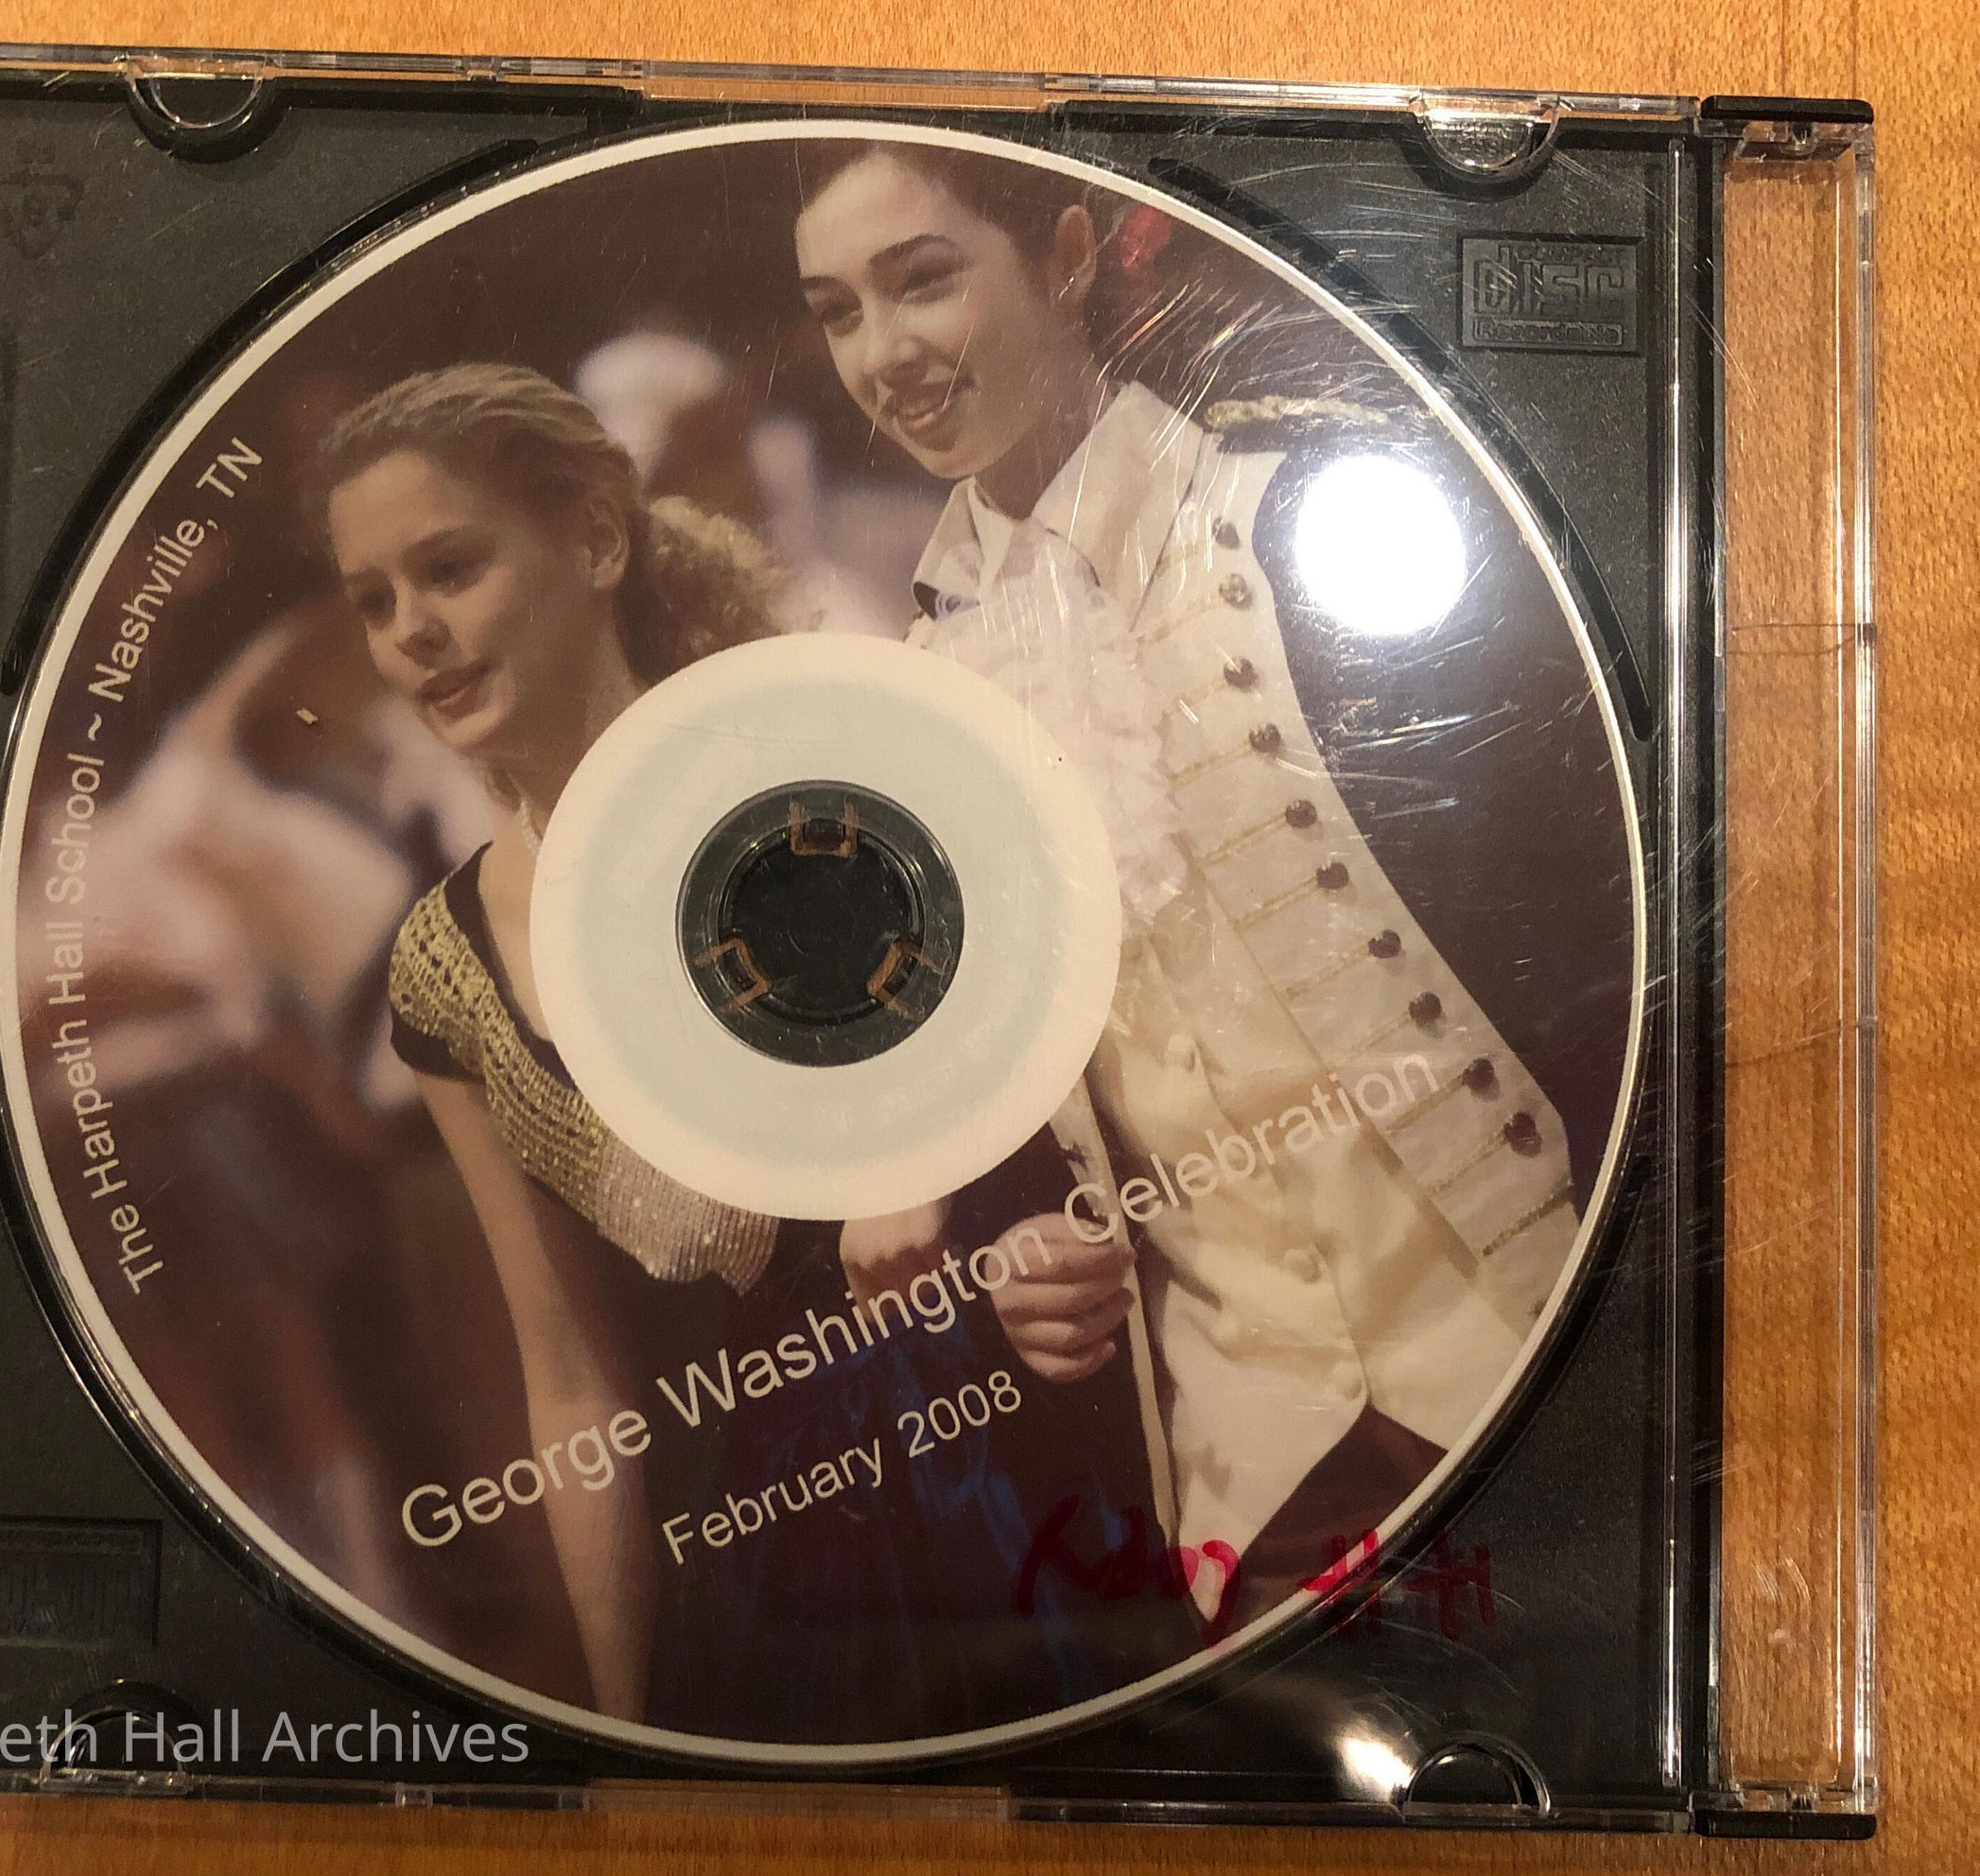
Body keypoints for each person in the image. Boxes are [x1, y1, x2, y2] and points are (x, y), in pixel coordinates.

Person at [794, 138, 1606, 1631]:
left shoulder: (1294, 520)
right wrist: (1022, 1257)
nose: (884, 352)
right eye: (839, 311)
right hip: (1252, 1468)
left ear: (1067, 258)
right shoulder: (920, 686)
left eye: (924, 280)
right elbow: (1046, 1101)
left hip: (1525, 1346)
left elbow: (1578, 930)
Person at [319, 361, 1171, 1742]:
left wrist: (1038, 1240)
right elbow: (572, 1387)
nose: (414, 629)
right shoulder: (448, 967)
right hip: (786, 1535)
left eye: (452, 568)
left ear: (597, 541)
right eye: (373, 600)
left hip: (1029, 1461)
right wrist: (624, 1734)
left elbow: (1087, 1099)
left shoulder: (835, 755)